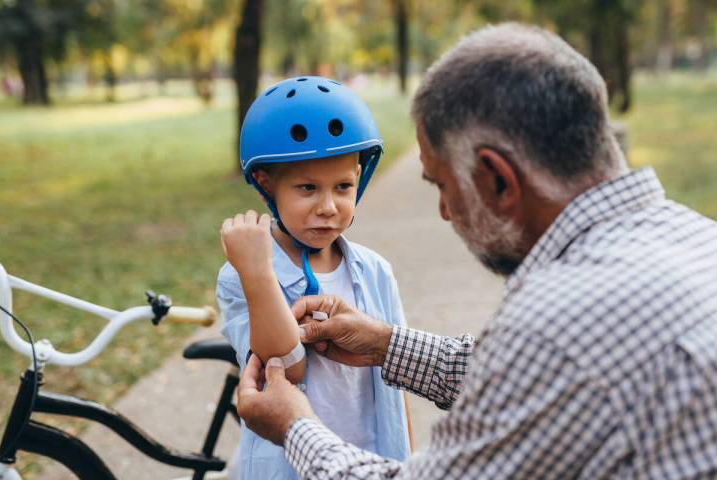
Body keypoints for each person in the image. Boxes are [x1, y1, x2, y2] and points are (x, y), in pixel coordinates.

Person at [234, 23, 717, 479]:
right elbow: (541, 383)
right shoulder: (695, 238)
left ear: (497, 179)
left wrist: (295, 427)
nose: (445, 211)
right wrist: (388, 344)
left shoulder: (557, 324)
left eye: (442, 185)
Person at [217, 76, 411, 479]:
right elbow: (286, 369)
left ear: (360, 175)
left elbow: (396, 372)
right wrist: (257, 272)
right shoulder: (241, 275)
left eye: (343, 186)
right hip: (292, 467)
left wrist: (407, 461)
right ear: (266, 186)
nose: (328, 207)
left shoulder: (374, 272)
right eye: (307, 187)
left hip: (372, 462)